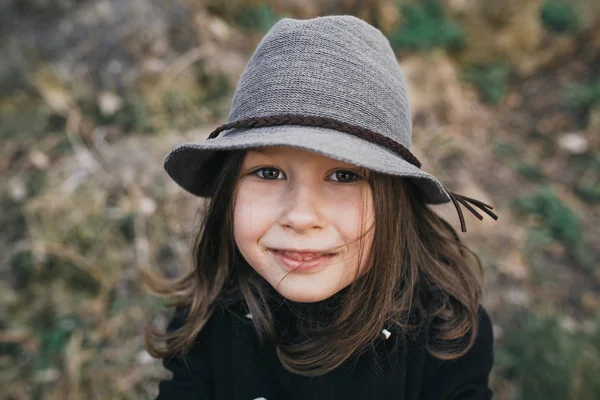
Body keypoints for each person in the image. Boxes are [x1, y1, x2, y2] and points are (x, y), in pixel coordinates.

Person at [145, 15, 498, 400]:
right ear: (229, 190)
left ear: (397, 201)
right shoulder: (206, 315)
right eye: (268, 172)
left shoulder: (445, 333)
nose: (300, 216)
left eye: (344, 176)